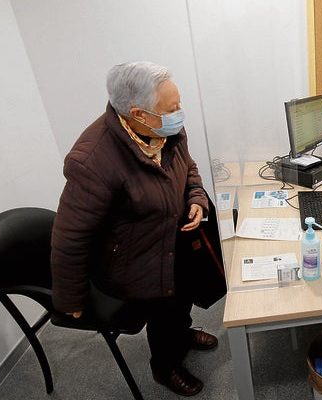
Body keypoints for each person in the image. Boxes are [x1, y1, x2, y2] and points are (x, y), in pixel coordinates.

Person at [51, 61, 217, 396]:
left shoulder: (165, 130)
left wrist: (196, 197)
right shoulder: (93, 160)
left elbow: (189, 166)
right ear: (139, 114)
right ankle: (165, 367)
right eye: (172, 108)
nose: (179, 113)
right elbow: (70, 236)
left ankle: (182, 333)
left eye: (178, 104)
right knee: (164, 310)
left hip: (172, 237)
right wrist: (70, 301)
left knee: (181, 299)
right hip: (136, 258)